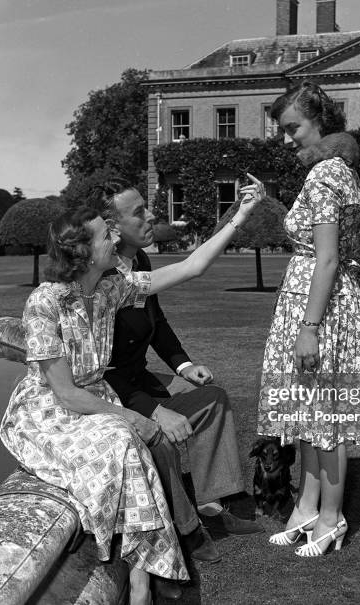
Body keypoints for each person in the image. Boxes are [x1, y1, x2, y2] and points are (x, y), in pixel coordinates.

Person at [0, 181, 264, 605]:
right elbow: (65, 394)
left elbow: (192, 266)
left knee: (131, 441)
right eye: (107, 235)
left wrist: (240, 216)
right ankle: (150, 569)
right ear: (84, 251)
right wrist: (137, 416)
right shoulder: (43, 304)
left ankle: (144, 575)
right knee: (128, 440)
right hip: (49, 410)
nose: (115, 237)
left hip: (95, 397)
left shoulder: (110, 289)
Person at [100, 184, 263, 563]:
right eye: (139, 212)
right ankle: (187, 529)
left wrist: (184, 365)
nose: (151, 216)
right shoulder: (102, 278)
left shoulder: (138, 261)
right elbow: (98, 372)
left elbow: (156, 320)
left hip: (136, 378)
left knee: (214, 400)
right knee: (160, 437)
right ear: (111, 225)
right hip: (110, 393)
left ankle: (212, 505)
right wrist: (153, 411)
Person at [256, 81, 360, 558]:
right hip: (318, 300)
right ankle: (307, 509)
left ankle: (332, 518)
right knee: (309, 415)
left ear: (320, 122)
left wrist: (308, 327)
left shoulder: (325, 175)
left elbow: (327, 259)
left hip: (319, 307)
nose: (288, 138)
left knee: (324, 416)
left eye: (294, 128)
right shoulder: (337, 170)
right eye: (284, 129)